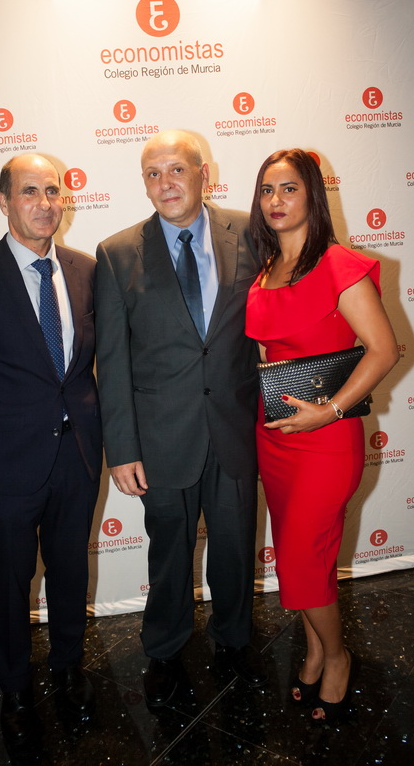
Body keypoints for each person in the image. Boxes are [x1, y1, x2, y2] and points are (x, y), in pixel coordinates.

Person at [0, 154, 102, 745]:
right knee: (9, 582)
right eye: (30, 191)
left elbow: (90, 365)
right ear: (4, 201)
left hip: (77, 456)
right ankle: (15, 687)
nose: (44, 203)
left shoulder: (86, 270)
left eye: (53, 190)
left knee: (70, 569)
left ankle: (68, 666)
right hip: (5, 465)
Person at [95, 129, 267, 707]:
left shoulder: (250, 232)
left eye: (176, 169)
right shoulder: (117, 252)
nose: (165, 183)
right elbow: (112, 361)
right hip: (161, 437)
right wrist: (122, 448)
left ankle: (234, 639)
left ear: (202, 174)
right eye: (153, 173)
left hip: (235, 427)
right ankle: (165, 649)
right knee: (169, 551)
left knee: (236, 546)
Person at [245, 149, 399, 724]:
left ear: (313, 194)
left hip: (326, 442)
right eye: (267, 190)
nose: (276, 200)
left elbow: (383, 350)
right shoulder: (265, 270)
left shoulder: (339, 265)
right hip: (275, 441)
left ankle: (336, 658)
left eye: (289, 188)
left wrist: (330, 411)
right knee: (305, 560)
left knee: (302, 564)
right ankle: (312, 652)